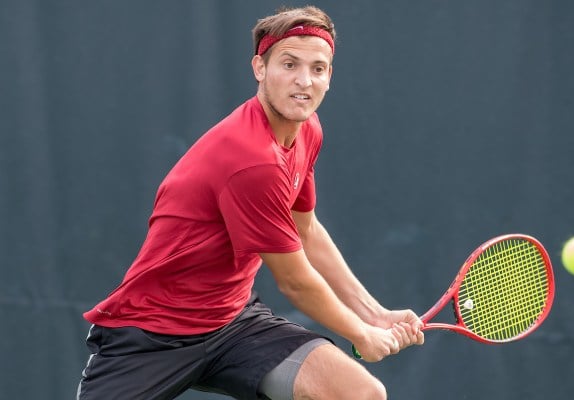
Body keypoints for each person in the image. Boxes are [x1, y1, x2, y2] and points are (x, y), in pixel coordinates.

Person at [76, 6, 424, 400]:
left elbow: (306, 229)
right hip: (152, 332)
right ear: (260, 68)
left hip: (232, 323)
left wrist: (373, 313)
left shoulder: (306, 130)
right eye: (289, 64)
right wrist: (361, 334)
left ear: (330, 77)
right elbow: (295, 281)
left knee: (360, 393)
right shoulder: (251, 160)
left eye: (318, 68)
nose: (304, 82)